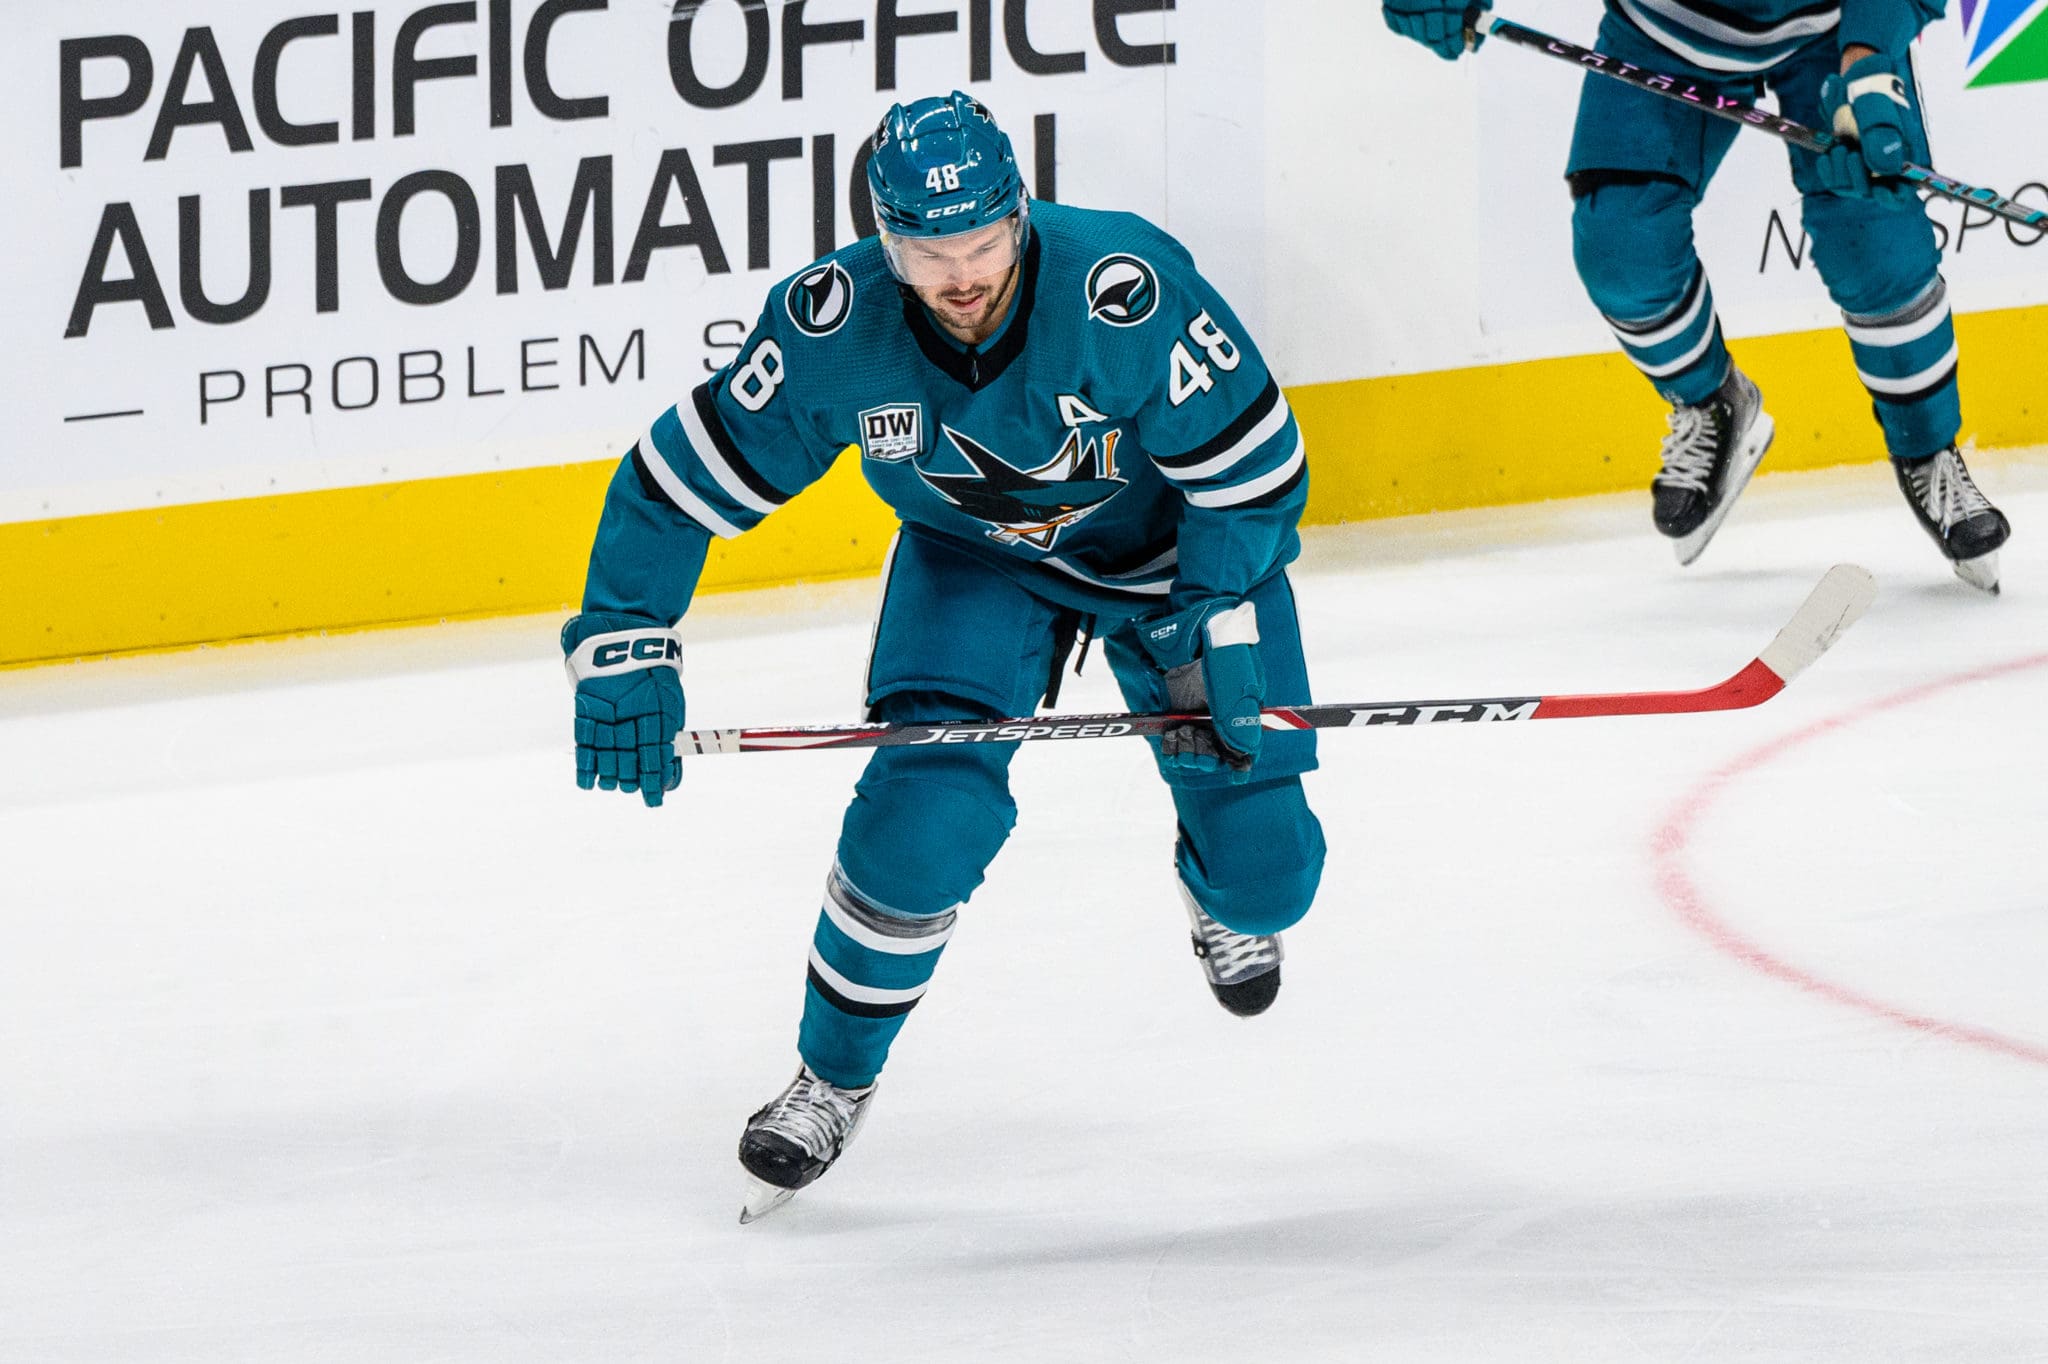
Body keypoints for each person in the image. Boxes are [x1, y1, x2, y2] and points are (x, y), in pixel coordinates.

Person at [560, 92, 1328, 1221]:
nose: (960, 274)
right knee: (917, 821)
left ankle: (1214, 875)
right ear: (884, 238)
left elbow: (1257, 476)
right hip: (974, 564)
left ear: (1018, 216)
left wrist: (1210, 617)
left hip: (1181, 566)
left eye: (979, 242)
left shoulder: (1124, 289)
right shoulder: (832, 326)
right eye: (927, 250)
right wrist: (625, 639)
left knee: (1273, 871)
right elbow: (677, 481)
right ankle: (830, 1077)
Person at [1382, 0, 2012, 591]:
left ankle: (1928, 448)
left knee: (1877, 241)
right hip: (1663, 29)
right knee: (1620, 247)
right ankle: (1712, 403)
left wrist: (1868, 63)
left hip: (1834, 31)